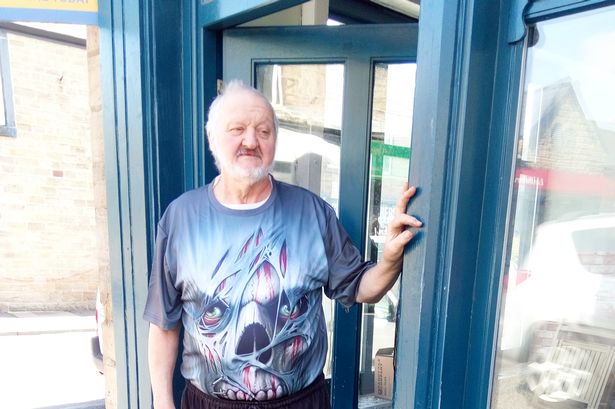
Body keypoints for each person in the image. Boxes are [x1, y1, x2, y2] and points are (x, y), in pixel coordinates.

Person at [144, 80, 422, 409]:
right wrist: (162, 402)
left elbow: (360, 287)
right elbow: (164, 324)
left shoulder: (312, 213)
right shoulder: (180, 219)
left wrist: (389, 260)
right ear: (213, 138)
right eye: (237, 129)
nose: (251, 141)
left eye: (264, 131)